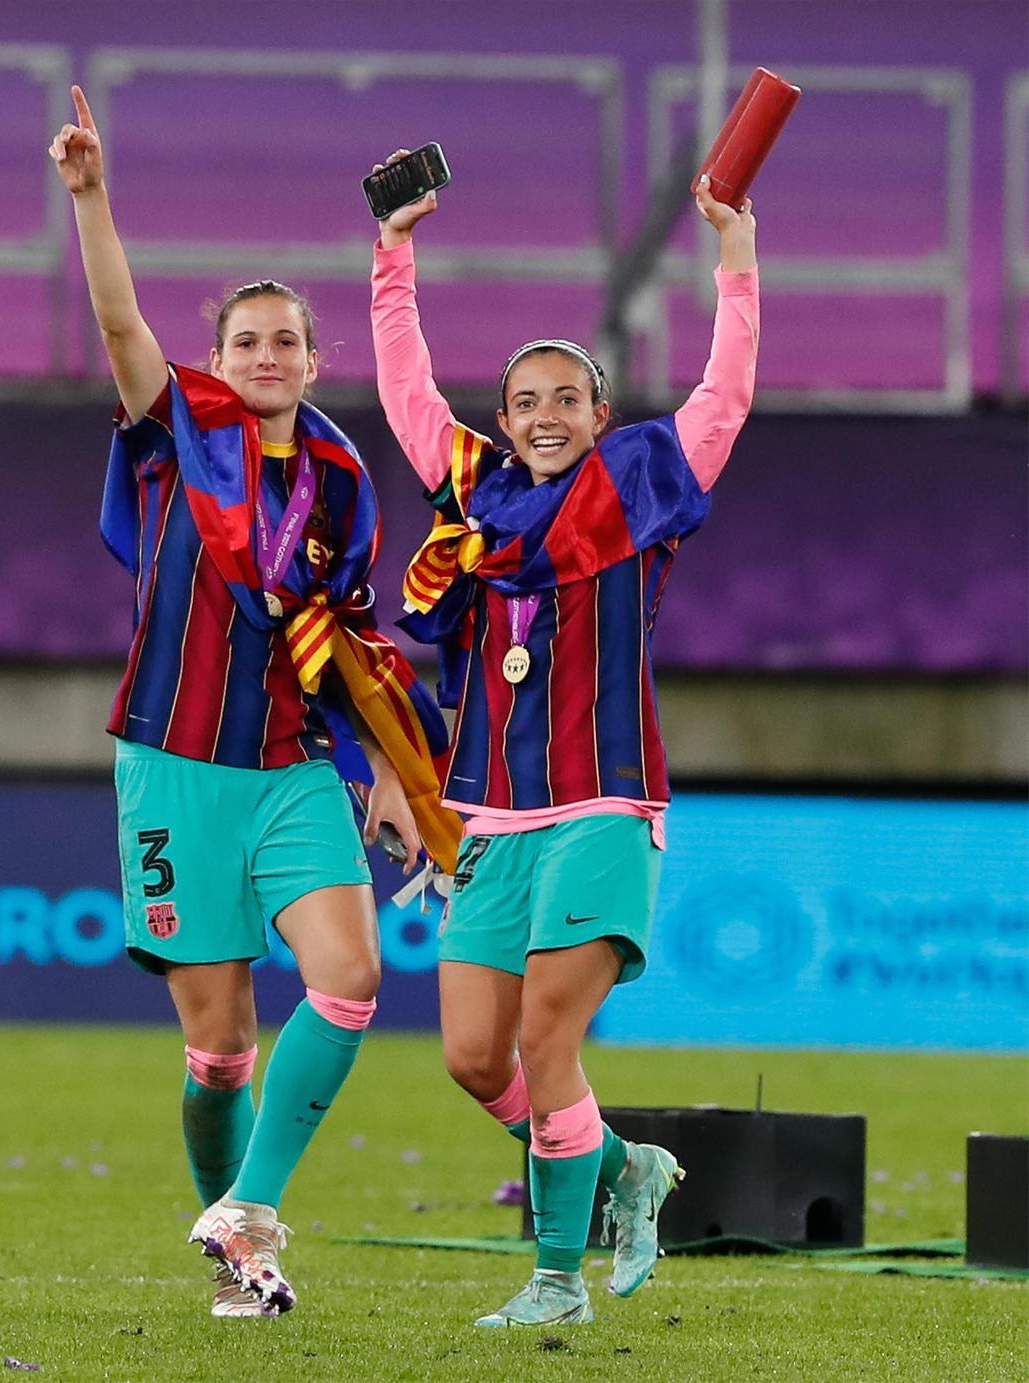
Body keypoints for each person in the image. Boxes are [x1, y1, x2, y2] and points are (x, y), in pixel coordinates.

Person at [49, 90, 459, 1321]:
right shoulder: (178, 430)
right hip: (172, 764)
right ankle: (242, 1261)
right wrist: (90, 196)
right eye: (247, 342)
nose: (268, 356)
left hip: (288, 768)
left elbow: (349, 640)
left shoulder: (340, 478)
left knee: (350, 975)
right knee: (222, 1042)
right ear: (216, 360)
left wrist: (389, 769)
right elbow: (120, 321)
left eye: (287, 340)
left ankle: (250, 1210)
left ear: (314, 360)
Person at [369, 153, 759, 1327]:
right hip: (490, 816)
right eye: (525, 401)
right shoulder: (473, 510)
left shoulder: (642, 493)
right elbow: (405, 394)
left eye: (567, 400)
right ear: (505, 423)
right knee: (475, 1060)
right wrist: (394, 254)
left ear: (601, 415)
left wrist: (733, 249)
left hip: (602, 803)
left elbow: (725, 391)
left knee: (545, 1039)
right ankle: (625, 1166)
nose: (545, 416)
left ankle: (556, 1281)